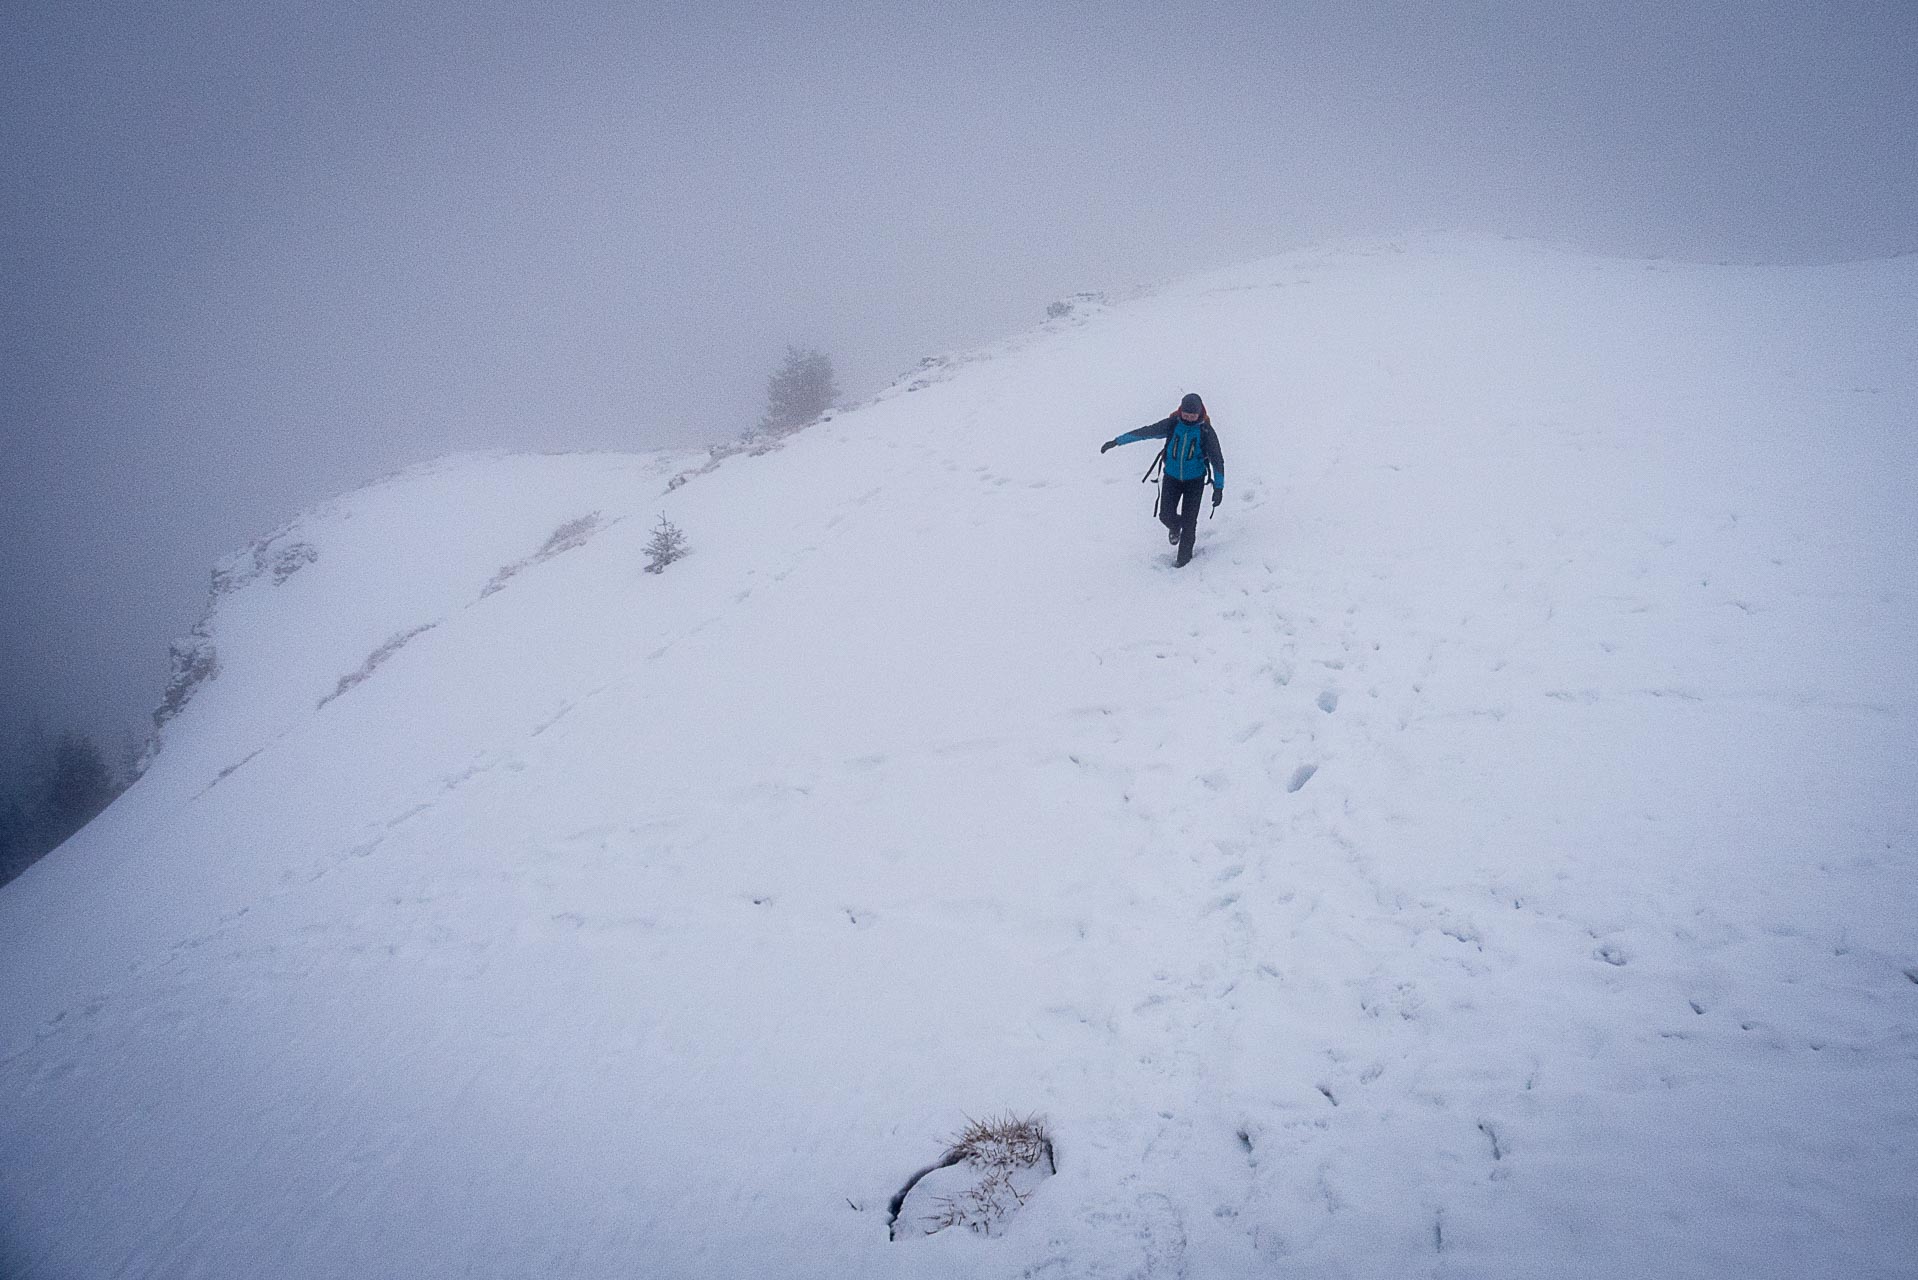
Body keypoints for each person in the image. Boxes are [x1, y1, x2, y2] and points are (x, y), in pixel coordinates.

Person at [1100, 392, 1225, 567]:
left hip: (1195, 482)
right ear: (1181, 410)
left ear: (1200, 413)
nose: (1189, 418)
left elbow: (1217, 459)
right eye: (1186, 414)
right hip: (1172, 478)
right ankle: (1175, 527)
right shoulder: (1173, 424)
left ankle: (1183, 563)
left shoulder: (1206, 431)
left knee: (1190, 525)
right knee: (1165, 515)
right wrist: (1117, 441)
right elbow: (1145, 432)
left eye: (1193, 415)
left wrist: (1218, 488)